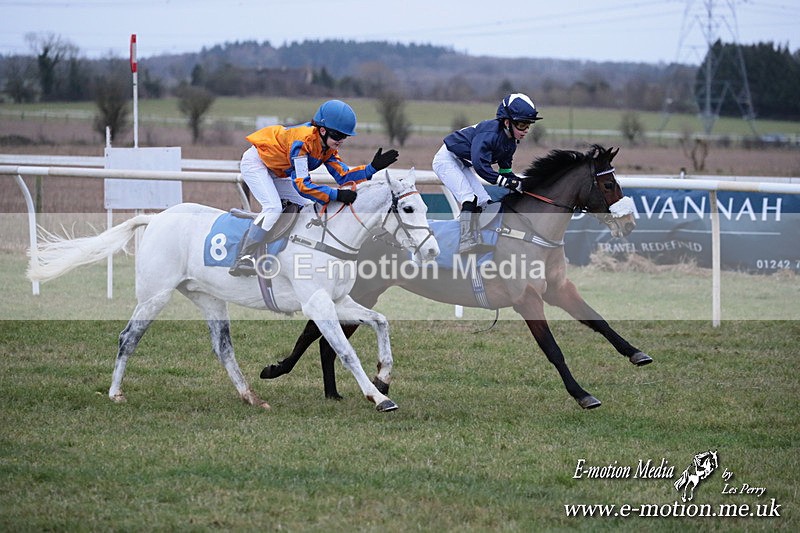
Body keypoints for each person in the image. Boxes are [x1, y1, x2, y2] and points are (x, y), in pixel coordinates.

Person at [229, 99, 399, 276]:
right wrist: (335, 195)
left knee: (308, 208)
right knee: (273, 208)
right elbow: (303, 185)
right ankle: (244, 257)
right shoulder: (303, 142)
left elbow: (343, 176)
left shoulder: (327, 146)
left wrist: (372, 168)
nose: (341, 140)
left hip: (276, 170)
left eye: (345, 136)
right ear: (323, 130)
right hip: (256, 164)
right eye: (338, 135)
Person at [432, 93, 541, 253]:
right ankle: (465, 241)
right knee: (469, 198)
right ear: (506, 122)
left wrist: (520, 185)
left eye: (528, 125)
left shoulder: (510, 143)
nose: (525, 130)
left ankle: (481, 238)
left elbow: (505, 171)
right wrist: (506, 182)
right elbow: (480, 166)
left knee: (485, 202)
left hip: (462, 162)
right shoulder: (489, 135)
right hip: (446, 159)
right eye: (522, 125)